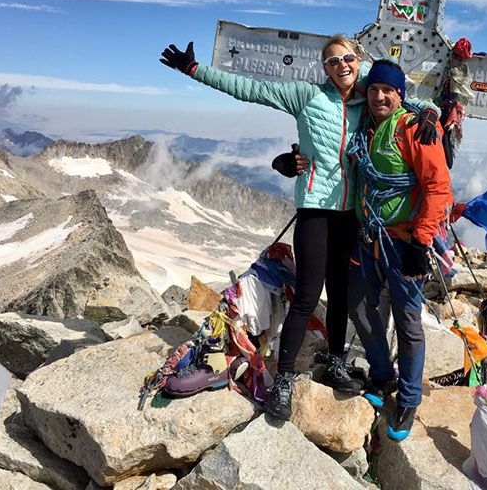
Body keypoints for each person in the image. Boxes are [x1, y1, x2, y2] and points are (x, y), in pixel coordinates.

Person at [160, 38, 440, 421]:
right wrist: (195, 71)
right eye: (332, 61)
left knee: (341, 295)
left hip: (352, 217)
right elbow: (253, 90)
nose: (341, 65)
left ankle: (337, 361)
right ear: (324, 68)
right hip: (314, 210)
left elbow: (406, 99)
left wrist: (432, 113)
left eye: (347, 58)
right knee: (309, 294)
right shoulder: (306, 95)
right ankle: (286, 379)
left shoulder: (367, 98)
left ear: (358, 62)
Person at [345, 60, 453, 442]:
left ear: (400, 94)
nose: (379, 96)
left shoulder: (414, 129)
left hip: (405, 239)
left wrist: (422, 242)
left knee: (407, 323)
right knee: (357, 305)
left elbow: (438, 188)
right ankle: (381, 374)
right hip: (370, 236)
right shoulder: (365, 125)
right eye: (374, 89)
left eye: (387, 91)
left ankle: (408, 399)